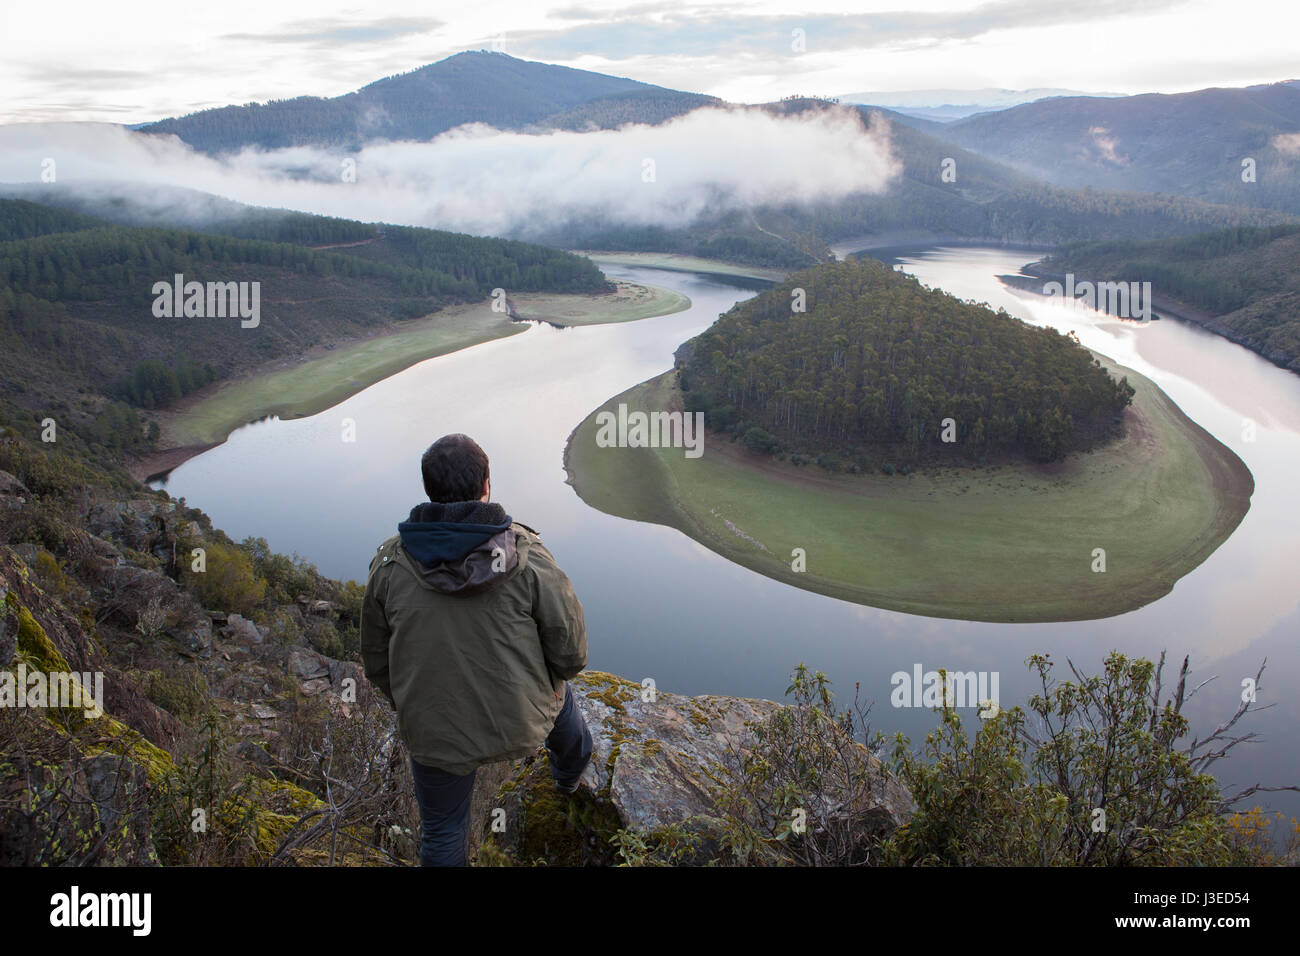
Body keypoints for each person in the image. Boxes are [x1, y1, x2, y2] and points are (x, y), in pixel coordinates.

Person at [360, 433, 592, 866]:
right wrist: (550, 680)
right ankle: (568, 778)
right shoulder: (528, 558)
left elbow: (376, 660)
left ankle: (566, 774)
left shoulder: (390, 564)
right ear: (486, 484)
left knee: (443, 832)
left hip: (435, 729)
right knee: (564, 702)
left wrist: (411, 699)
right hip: (521, 720)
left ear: (429, 489)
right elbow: (571, 654)